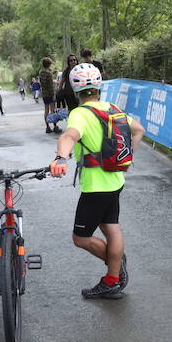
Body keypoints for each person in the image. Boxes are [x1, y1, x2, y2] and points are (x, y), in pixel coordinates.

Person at [49, 63, 144, 300]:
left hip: (96, 186)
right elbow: (138, 129)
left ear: (74, 89)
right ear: (99, 86)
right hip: (115, 180)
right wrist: (128, 156)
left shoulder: (80, 113)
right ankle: (114, 270)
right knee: (110, 226)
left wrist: (61, 158)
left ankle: (114, 271)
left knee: (80, 238)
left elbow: (70, 135)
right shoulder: (111, 107)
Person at [39, 57, 57, 132]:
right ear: (49, 64)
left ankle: (47, 127)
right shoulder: (49, 74)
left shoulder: (41, 73)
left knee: (46, 110)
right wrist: (53, 95)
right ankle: (55, 126)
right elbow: (50, 86)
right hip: (50, 94)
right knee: (52, 110)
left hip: (44, 94)